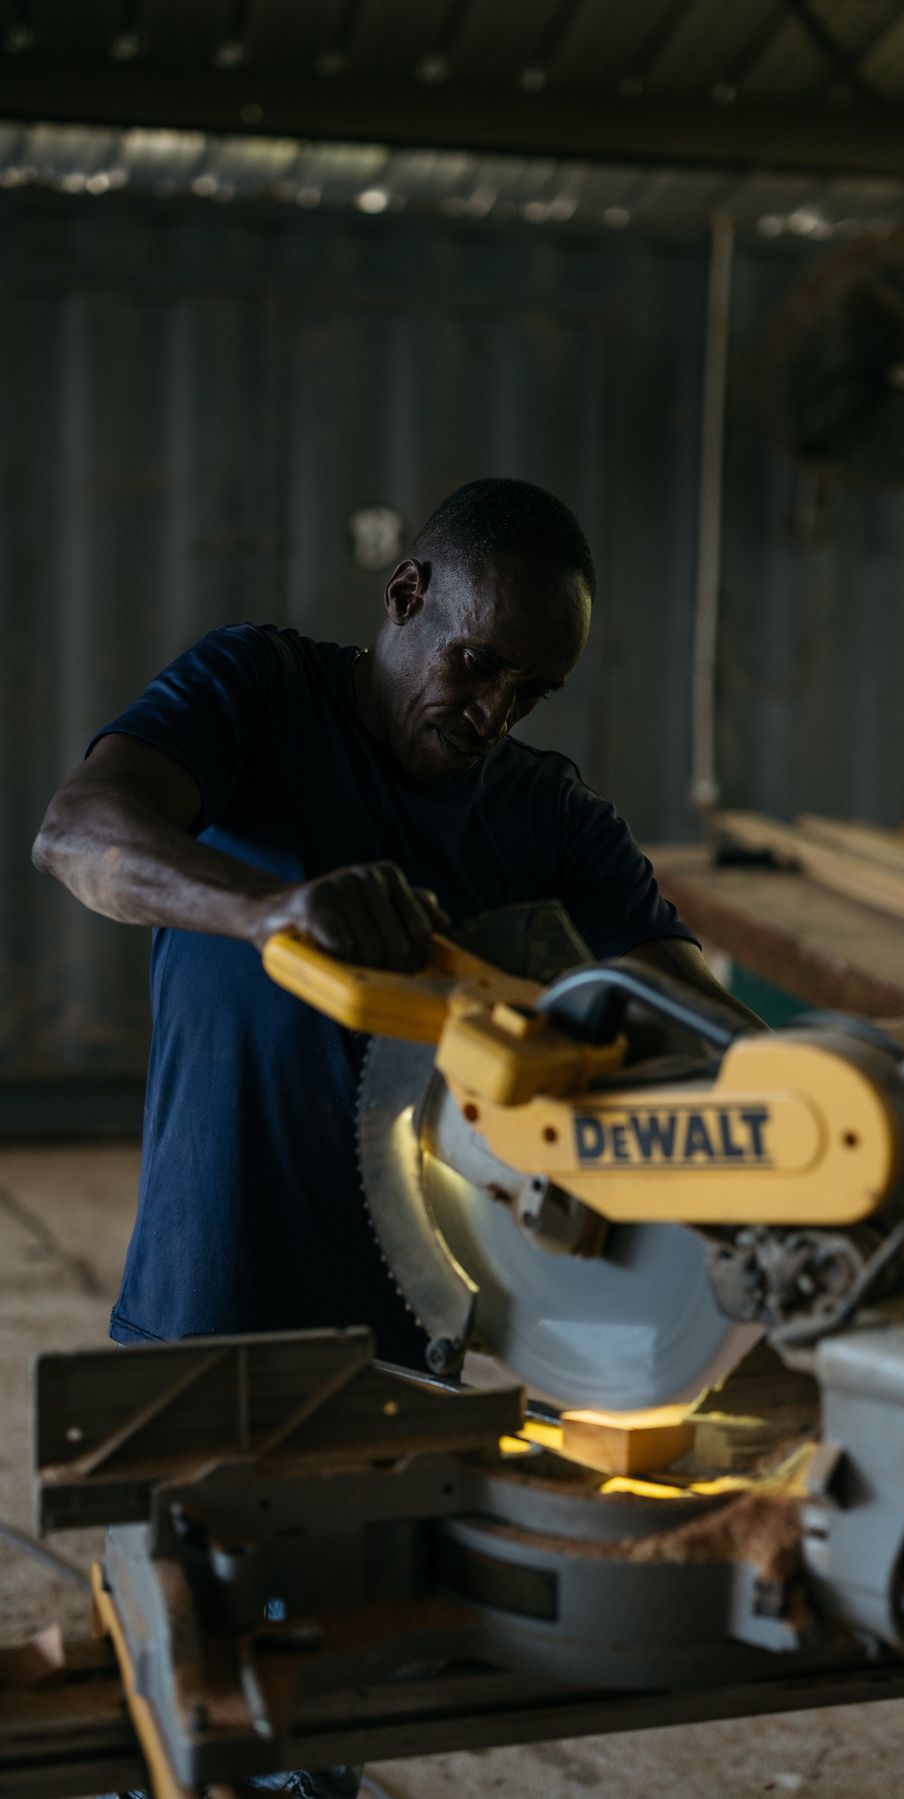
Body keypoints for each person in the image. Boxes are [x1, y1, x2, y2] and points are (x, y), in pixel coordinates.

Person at [33, 478, 756, 1799]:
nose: (490, 715)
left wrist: (798, 1130)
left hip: (406, 1334)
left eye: (529, 692)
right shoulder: (255, 692)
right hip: (212, 1297)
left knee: (334, 1711)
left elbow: (691, 1013)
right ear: (408, 597)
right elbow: (77, 831)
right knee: (178, 1715)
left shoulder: (543, 811)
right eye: (478, 668)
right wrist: (267, 912)